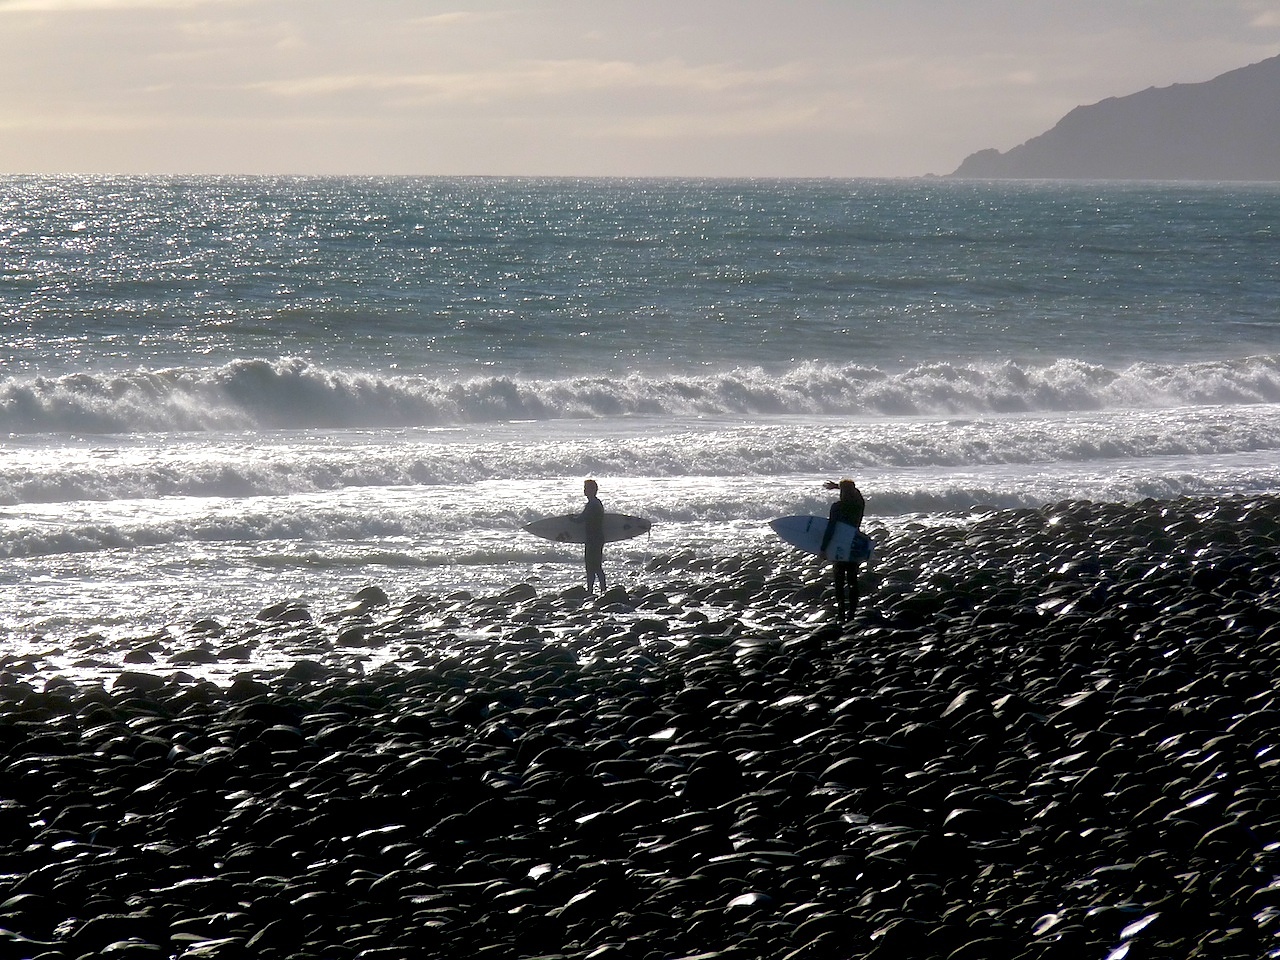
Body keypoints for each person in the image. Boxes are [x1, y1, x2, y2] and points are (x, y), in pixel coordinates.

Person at [820, 478, 866, 622]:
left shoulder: (837, 507)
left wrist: (823, 548)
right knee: (853, 580)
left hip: (839, 545)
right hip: (853, 545)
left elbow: (831, 529)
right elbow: (858, 494)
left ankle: (841, 612)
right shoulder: (858, 505)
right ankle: (852, 612)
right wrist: (841, 486)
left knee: (839, 581)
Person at [578, 478, 607, 595]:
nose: (584, 491)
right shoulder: (596, 503)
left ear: (593, 490)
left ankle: (592, 590)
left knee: (592, 566)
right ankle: (601, 589)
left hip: (593, 539)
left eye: (586, 488)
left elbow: (581, 519)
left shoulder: (592, 504)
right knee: (595, 566)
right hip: (597, 538)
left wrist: (570, 519)